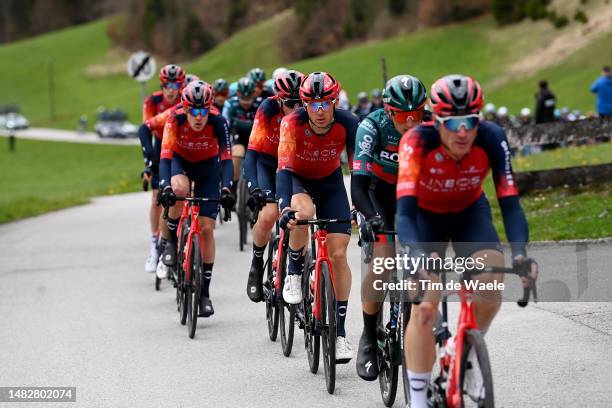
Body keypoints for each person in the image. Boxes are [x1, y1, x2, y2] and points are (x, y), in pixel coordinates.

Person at [396, 74, 538, 408]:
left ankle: (469, 351)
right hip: (423, 219)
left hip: (469, 214)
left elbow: (511, 204)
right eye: (453, 122)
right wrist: (416, 257)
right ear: (437, 120)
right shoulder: (416, 142)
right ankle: (418, 398)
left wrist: (520, 255)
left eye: (470, 121)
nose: (463, 131)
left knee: (491, 281)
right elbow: (403, 214)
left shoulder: (492, 138)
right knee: (426, 307)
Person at [276, 71, 358, 362]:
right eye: (313, 104)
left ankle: (340, 333)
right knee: (303, 213)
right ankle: (295, 272)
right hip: (299, 181)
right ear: (304, 105)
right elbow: (284, 168)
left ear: (335, 102)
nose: (320, 110)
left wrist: (361, 206)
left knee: (338, 255)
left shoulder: (349, 123)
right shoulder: (291, 123)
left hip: (331, 183)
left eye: (326, 103)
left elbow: (358, 171)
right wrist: (285, 207)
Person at [351, 74, 427, 381]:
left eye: (417, 115)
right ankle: (370, 336)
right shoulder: (371, 127)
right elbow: (358, 185)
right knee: (383, 263)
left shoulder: (432, 129)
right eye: (402, 116)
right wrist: (369, 217)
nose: (411, 123)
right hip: (377, 195)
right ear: (388, 110)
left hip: (413, 194)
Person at [158, 80, 235, 317]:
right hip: (181, 163)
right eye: (193, 111)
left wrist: (227, 189)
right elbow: (165, 156)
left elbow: (227, 158)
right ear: (185, 108)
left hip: (207, 168)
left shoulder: (218, 121)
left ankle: (205, 294)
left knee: (206, 229)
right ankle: (171, 241)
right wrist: (164, 186)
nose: (198, 116)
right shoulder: (175, 119)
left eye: (203, 111)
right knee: (178, 189)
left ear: (209, 108)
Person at [244, 70, 305, 302]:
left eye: (302, 101)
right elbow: (251, 153)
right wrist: (254, 188)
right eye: (291, 103)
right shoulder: (267, 109)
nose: (298, 108)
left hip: (294, 166)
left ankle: (299, 272)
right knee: (269, 213)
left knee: (301, 217)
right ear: (279, 100)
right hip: (268, 163)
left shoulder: (309, 111)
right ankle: (257, 263)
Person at [139, 64, 185, 273]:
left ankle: (182, 237)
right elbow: (146, 129)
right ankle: (154, 244)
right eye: (167, 85)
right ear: (162, 85)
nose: (171, 89)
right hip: (160, 148)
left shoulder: (187, 101)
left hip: (182, 147)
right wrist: (149, 158)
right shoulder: (153, 101)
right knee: (157, 198)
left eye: (175, 85)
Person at [222, 77, 262, 198]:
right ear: (238, 94)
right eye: (243, 98)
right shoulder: (230, 103)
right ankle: (233, 188)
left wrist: (237, 121)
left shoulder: (260, 103)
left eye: (249, 98)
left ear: (253, 94)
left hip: (254, 135)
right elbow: (226, 123)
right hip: (238, 134)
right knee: (238, 152)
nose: (246, 102)